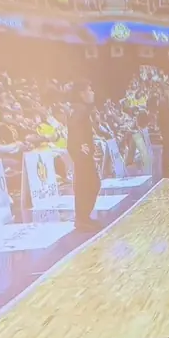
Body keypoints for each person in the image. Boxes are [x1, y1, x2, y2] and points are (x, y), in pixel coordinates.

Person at [67, 80, 102, 233]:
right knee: (89, 185)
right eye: (89, 90)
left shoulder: (80, 108)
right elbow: (74, 127)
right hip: (82, 152)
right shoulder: (80, 109)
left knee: (88, 184)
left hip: (82, 151)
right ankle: (82, 219)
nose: (92, 92)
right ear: (82, 94)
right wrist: (80, 144)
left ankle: (83, 217)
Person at [157, 88, 169, 178]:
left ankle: (168, 169)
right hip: (166, 129)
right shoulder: (163, 102)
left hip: (168, 129)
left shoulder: (166, 101)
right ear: (165, 92)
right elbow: (163, 118)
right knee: (166, 150)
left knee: (168, 150)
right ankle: (166, 171)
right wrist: (165, 131)